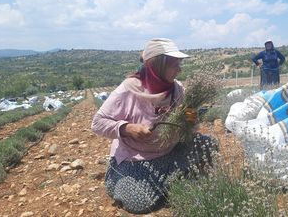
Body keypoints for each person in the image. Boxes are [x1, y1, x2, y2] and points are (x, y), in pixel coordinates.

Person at [91, 38, 217, 214]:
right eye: (175, 64)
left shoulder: (177, 89)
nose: (180, 69)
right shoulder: (129, 89)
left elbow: (189, 126)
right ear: (158, 65)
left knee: (208, 144)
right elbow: (97, 123)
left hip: (169, 151)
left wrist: (190, 120)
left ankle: (165, 181)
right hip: (138, 158)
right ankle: (171, 180)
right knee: (139, 202)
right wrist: (127, 128)